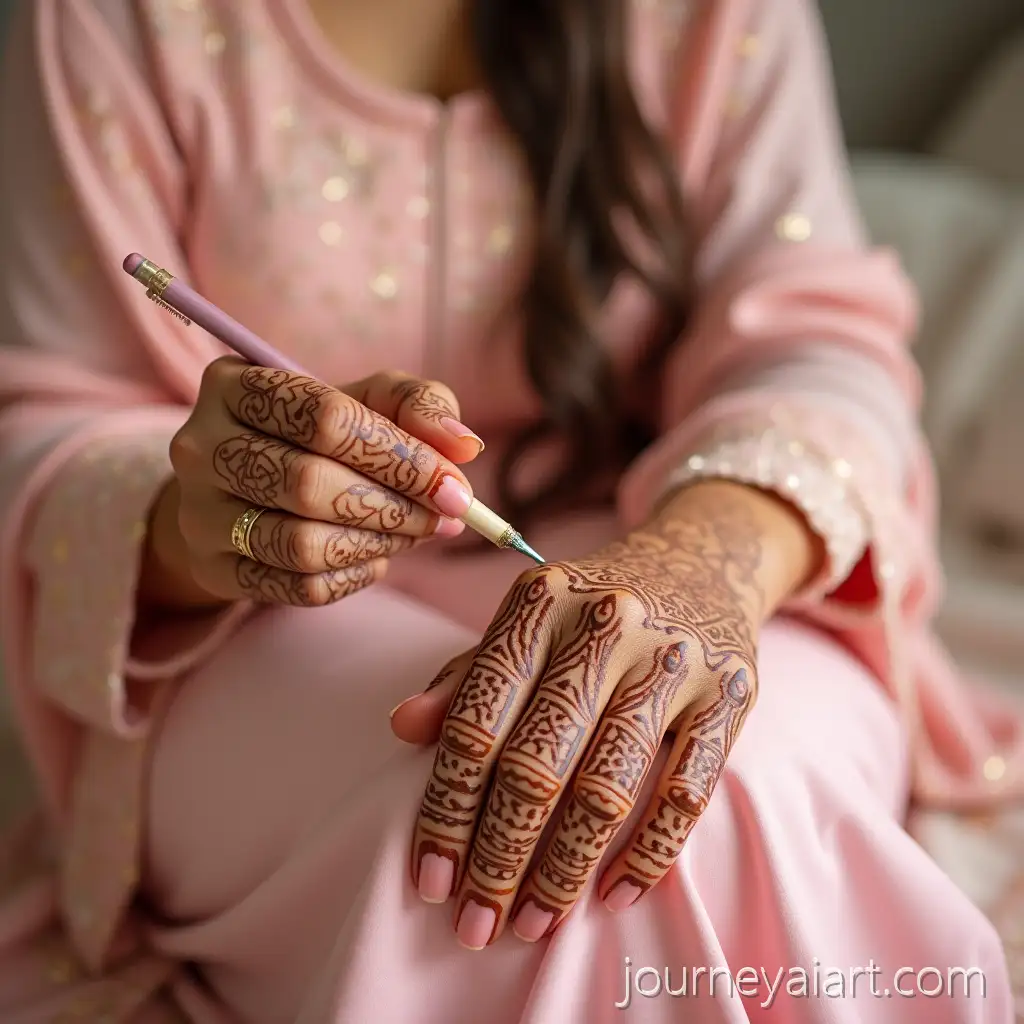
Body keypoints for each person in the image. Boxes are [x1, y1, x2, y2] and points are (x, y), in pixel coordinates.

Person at [0, 0, 1020, 1020]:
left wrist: (707, 559)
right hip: (252, 620)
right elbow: (55, 416)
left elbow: (812, 331)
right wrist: (199, 508)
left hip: (704, 536)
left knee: (704, 784)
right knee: (450, 816)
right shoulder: (114, 20)